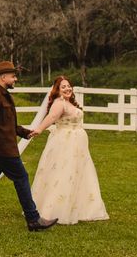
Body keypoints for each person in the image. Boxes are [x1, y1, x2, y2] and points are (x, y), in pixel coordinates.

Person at [0, 61, 58, 231]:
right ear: (3, 77)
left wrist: (25, 132)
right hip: (2, 149)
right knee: (21, 178)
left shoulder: (2, 94)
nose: (15, 79)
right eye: (13, 76)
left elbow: (7, 124)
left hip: (0, 148)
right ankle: (33, 220)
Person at [28, 76, 109, 224]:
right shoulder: (59, 103)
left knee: (80, 173)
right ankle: (56, 209)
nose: (67, 89)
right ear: (57, 90)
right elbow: (51, 117)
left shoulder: (69, 103)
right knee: (65, 173)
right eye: (63, 87)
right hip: (66, 143)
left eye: (69, 86)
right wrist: (39, 129)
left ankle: (81, 208)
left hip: (78, 145)